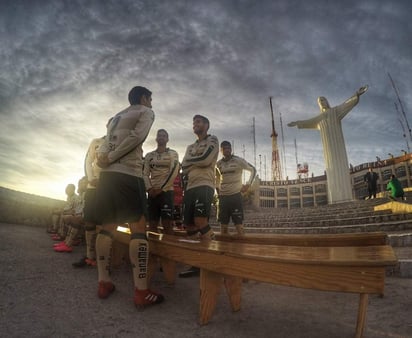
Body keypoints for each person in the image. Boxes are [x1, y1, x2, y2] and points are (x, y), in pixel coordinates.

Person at [95, 85, 164, 306]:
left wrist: (102, 159)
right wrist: (114, 156)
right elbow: (137, 137)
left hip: (107, 176)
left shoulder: (117, 116)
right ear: (144, 98)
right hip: (128, 173)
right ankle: (141, 291)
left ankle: (104, 281)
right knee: (138, 226)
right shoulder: (146, 112)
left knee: (108, 226)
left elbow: (105, 143)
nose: (152, 103)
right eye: (150, 99)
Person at [288, 85, 368, 203]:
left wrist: (356, 94)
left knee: (341, 168)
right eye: (320, 101)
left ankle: (346, 197)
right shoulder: (319, 118)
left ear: (327, 101)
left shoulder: (335, 111)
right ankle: (335, 199)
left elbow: (347, 104)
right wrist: (297, 122)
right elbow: (308, 121)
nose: (322, 102)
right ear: (319, 105)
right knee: (332, 172)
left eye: (324, 100)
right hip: (329, 149)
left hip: (339, 146)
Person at [179, 115, 219, 278]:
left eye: (199, 122)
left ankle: (216, 255)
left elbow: (206, 159)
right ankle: (197, 262)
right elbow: (183, 166)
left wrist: (192, 162)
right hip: (190, 187)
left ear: (207, 125)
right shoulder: (190, 146)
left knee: (200, 221)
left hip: (205, 184)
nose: (195, 124)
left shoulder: (213, 140)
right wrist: (195, 162)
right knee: (189, 226)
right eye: (194, 122)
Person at [72, 136, 106, 267]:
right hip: (92, 186)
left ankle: (102, 259)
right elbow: (88, 160)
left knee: (105, 222)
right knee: (89, 221)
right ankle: (89, 256)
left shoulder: (119, 141)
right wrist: (91, 178)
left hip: (108, 186)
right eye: (111, 123)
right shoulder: (96, 142)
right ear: (108, 126)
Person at [216, 141, 256, 236]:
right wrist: (217, 191)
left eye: (229, 148)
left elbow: (253, 169)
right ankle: (223, 249)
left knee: (239, 226)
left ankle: (240, 248)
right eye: (224, 148)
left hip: (235, 196)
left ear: (231, 149)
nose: (227, 150)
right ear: (221, 150)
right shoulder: (218, 164)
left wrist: (248, 184)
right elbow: (216, 179)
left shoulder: (238, 160)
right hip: (223, 197)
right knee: (223, 227)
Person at [143, 129, 180, 235]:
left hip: (166, 192)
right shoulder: (149, 156)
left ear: (167, 139)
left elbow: (174, 172)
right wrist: (149, 188)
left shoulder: (173, 154)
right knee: (152, 224)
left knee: (167, 225)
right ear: (156, 138)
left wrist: (162, 189)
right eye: (159, 135)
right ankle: (154, 250)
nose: (161, 137)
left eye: (164, 136)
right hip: (152, 193)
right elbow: (145, 174)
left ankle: (169, 250)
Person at [54, 177, 88, 252]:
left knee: (73, 219)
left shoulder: (88, 194)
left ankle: (68, 244)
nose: (82, 185)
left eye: (84, 183)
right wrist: (75, 213)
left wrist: (76, 214)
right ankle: (66, 242)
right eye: (81, 183)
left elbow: (86, 208)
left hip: (87, 217)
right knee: (70, 217)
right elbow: (79, 208)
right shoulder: (81, 195)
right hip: (80, 214)